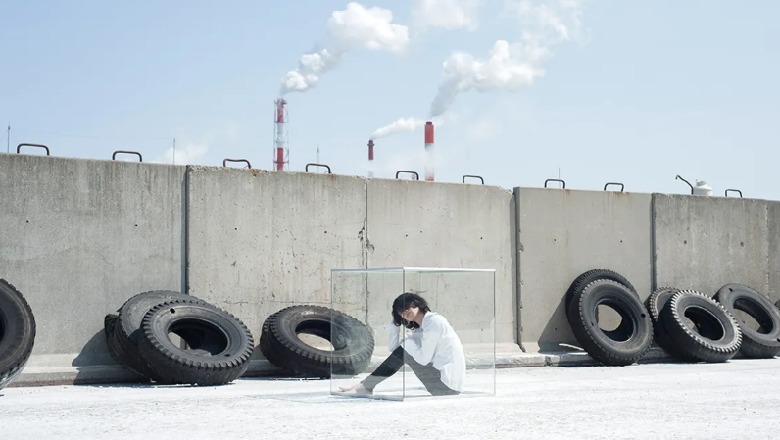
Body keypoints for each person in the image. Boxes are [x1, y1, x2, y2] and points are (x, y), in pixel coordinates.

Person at [338, 292, 466, 396]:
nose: (405, 312)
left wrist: (408, 344)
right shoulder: (421, 327)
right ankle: (365, 385)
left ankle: (366, 386)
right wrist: (395, 324)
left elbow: (423, 359)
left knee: (407, 347)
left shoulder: (434, 322)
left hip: (446, 386)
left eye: (407, 307)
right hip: (442, 382)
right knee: (405, 348)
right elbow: (395, 349)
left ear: (417, 304)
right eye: (400, 312)